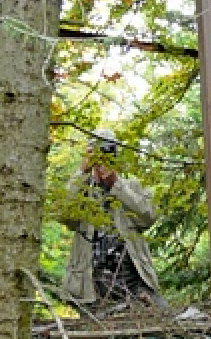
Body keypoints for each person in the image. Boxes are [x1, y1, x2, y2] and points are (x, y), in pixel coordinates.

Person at [60, 128, 164, 310]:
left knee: (160, 316)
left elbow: (148, 216)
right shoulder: (81, 188)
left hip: (133, 280)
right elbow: (63, 214)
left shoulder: (131, 184)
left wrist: (117, 185)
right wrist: (81, 172)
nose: (103, 159)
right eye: (97, 153)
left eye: (108, 152)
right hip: (90, 285)